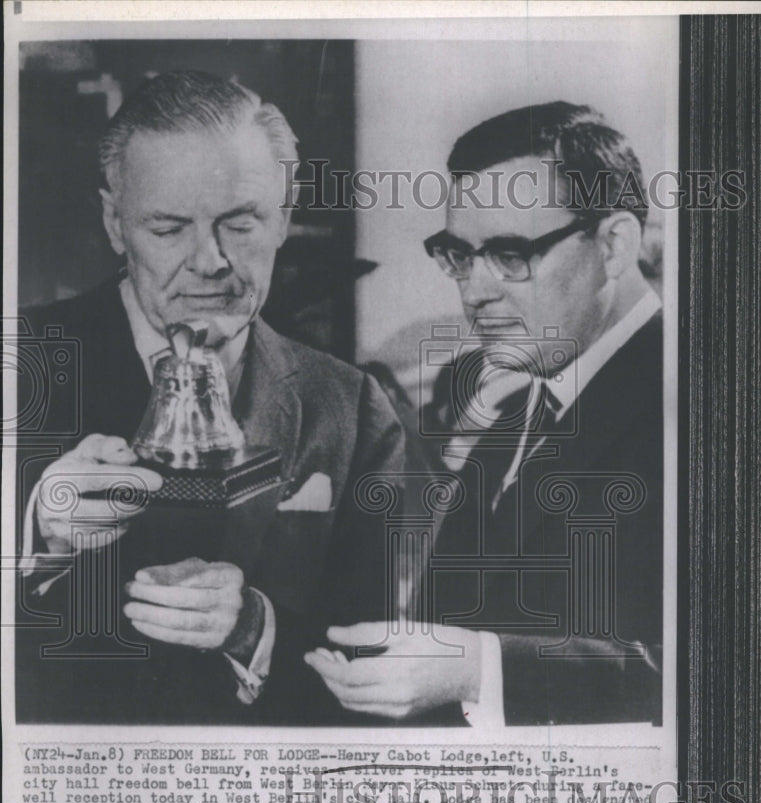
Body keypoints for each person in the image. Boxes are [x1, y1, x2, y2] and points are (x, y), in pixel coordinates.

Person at [16, 69, 404, 725]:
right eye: (167, 228)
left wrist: (256, 627)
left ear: (284, 215)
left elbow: (387, 658)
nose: (210, 262)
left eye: (240, 223)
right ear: (115, 223)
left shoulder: (353, 406)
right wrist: (34, 533)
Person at [306, 101, 663, 727]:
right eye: (460, 256)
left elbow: (723, 672)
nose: (475, 292)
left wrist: (479, 671)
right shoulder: (514, 413)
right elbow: (450, 629)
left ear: (613, 245)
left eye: (510, 255)